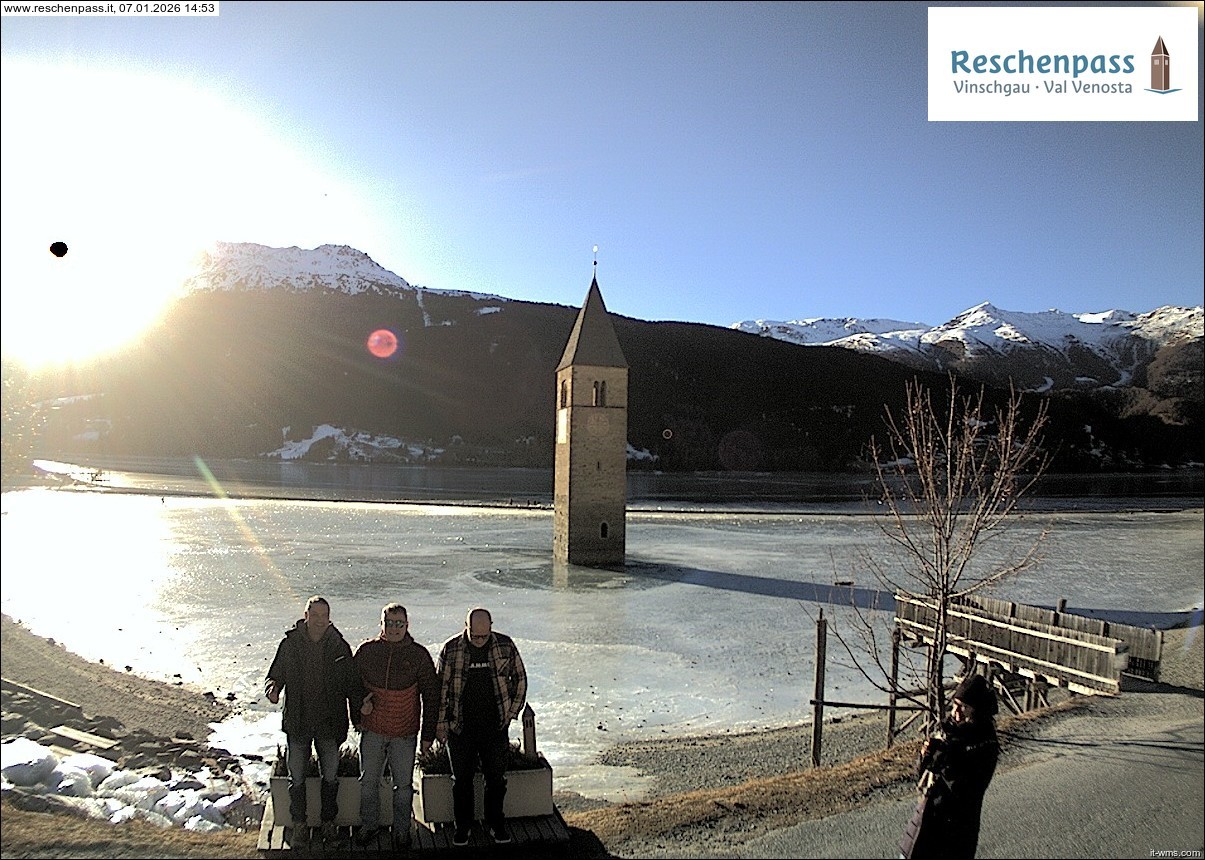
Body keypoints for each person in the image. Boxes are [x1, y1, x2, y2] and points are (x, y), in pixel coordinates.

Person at [265, 595, 358, 843]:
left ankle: (329, 822)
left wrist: (362, 710)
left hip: (329, 724)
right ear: (305, 615)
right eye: (314, 615)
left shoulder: (339, 646)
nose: (319, 620)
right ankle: (299, 824)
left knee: (330, 778)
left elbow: (352, 684)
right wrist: (272, 689)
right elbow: (274, 675)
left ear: (329, 618)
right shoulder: (290, 644)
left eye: (323, 615)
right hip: (298, 723)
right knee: (296, 778)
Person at [435, 607, 528, 846]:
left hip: (495, 726)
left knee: (496, 780)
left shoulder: (505, 645)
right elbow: (440, 689)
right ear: (466, 627)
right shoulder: (451, 648)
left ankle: (496, 826)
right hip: (461, 727)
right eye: (474, 636)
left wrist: (511, 712)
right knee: (461, 781)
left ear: (491, 627)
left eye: (483, 636)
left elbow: (520, 679)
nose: (478, 641)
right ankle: (462, 828)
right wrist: (441, 724)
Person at [352, 603, 439, 851]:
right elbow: (351, 685)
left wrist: (428, 734)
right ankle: (369, 826)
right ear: (382, 624)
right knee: (368, 782)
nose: (394, 628)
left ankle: (402, 831)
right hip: (373, 730)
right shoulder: (366, 651)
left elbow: (431, 695)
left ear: (407, 625)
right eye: (389, 623)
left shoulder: (419, 655)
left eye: (399, 623)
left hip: (405, 732)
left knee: (403, 787)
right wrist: (358, 710)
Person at [899, 673, 1001, 859]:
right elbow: (921, 774)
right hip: (924, 822)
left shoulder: (986, 743)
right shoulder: (949, 732)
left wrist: (946, 756)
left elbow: (966, 789)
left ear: (977, 711)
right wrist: (925, 755)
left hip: (955, 833)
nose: (956, 712)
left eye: (964, 707)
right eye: (955, 704)